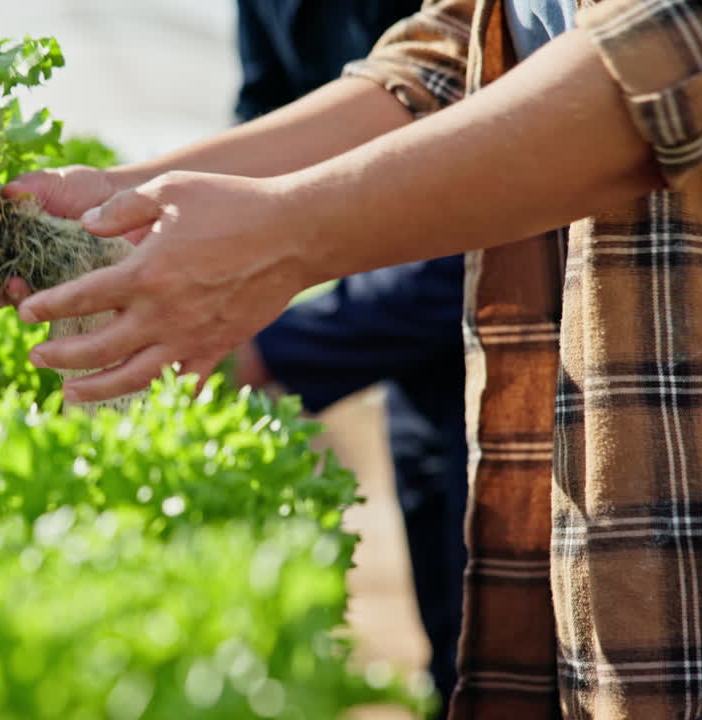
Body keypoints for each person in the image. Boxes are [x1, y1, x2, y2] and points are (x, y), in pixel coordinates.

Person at [0, 1, 702, 717]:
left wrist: (283, 240)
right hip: (572, 449)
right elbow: (460, 54)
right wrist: (122, 204)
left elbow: (670, 54)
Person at [234, 1, 465, 715]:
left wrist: (267, 348)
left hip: (527, 341)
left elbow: (480, 211)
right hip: (413, 369)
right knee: (462, 647)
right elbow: (265, 114)